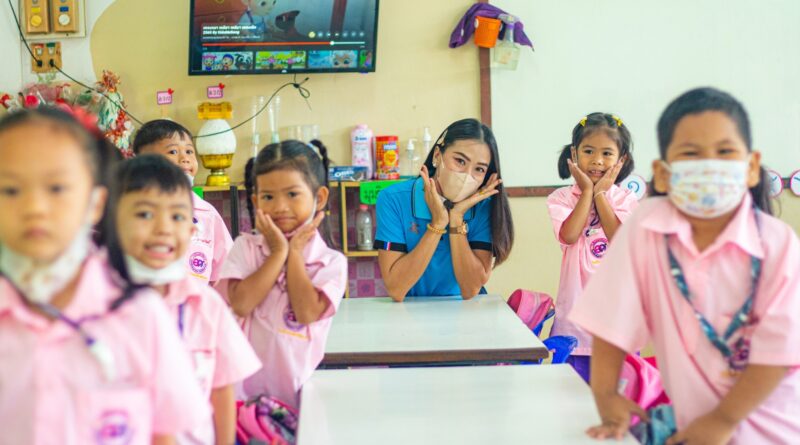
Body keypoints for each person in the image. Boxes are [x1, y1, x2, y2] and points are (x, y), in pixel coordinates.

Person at [374, 118, 513, 301]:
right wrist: (438, 223)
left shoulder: (484, 207)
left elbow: (470, 290)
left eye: (479, 169)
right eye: (460, 161)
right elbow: (396, 289)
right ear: (437, 156)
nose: (466, 176)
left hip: (463, 313)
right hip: (408, 311)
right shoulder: (393, 199)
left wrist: (456, 218)